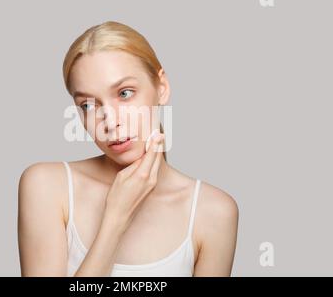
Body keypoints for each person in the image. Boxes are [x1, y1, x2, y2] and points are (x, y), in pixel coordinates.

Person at [18, 21, 239, 276]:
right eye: (88, 105)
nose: (110, 122)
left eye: (124, 93)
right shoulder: (47, 186)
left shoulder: (213, 212)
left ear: (162, 88)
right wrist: (116, 218)